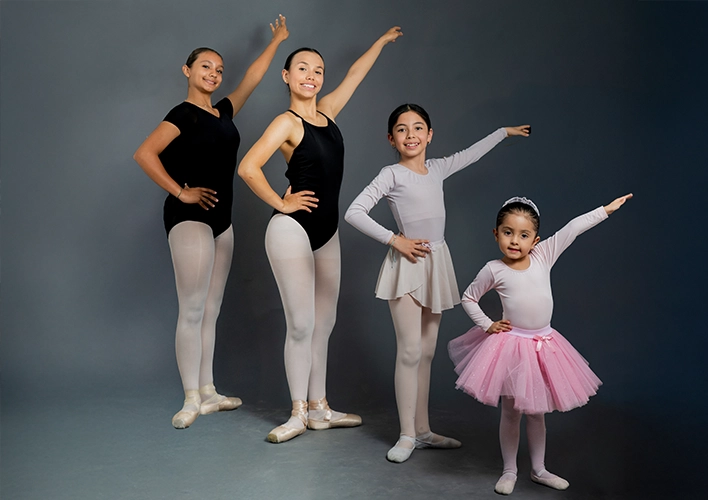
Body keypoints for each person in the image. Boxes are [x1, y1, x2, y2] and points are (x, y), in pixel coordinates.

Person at [237, 27, 403, 443]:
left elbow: (355, 76)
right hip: (291, 229)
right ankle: (296, 413)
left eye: (318, 70)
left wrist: (379, 43)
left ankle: (320, 408)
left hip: (326, 232)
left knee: (324, 323)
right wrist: (281, 202)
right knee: (301, 324)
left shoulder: (327, 111)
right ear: (287, 77)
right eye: (302, 70)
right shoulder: (285, 122)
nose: (311, 76)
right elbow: (248, 167)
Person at [344, 103, 530, 462]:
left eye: (417, 128)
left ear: (430, 135)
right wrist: (394, 239)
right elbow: (354, 211)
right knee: (410, 351)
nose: (410, 135)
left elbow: (470, 155)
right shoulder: (391, 174)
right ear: (391, 138)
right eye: (401, 129)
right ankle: (405, 434)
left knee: (427, 353)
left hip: (436, 262)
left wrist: (503, 132)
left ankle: (424, 430)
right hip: (408, 264)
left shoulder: (439, 168)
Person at [133, 16, 289, 429]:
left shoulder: (221, 112)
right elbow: (145, 154)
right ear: (188, 71)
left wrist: (277, 41)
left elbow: (251, 81)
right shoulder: (182, 114)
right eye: (206, 66)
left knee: (212, 308)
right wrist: (180, 190)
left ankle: (208, 391)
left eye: (219, 70)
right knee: (193, 307)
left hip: (222, 220)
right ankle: (189, 399)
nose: (214, 74)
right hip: (188, 217)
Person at [448, 194, 632, 494]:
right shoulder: (493, 269)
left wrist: (605, 210)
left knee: (536, 412)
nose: (515, 241)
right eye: (507, 232)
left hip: (544, 345)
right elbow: (468, 297)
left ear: (536, 240)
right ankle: (509, 471)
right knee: (511, 412)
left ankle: (539, 469)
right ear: (496, 234)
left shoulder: (544, 255)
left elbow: (572, 228)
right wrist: (487, 324)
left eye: (523, 235)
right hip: (510, 347)